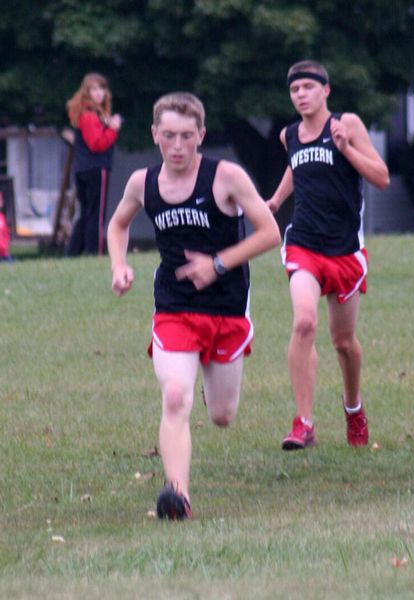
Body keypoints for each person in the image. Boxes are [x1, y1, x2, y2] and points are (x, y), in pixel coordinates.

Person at [107, 92, 280, 520]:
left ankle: (208, 382)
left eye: (187, 136)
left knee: (221, 415)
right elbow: (118, 224)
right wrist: (119, 265)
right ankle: (177, 496)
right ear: (155, 134)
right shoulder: (142, 183)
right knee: (174, 396)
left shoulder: (226, 177)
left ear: (201, 135)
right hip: (174, 305)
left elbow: (270, 232)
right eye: (169, 136)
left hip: (226, 308)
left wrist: (217, 264)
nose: (178, 145)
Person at [267, 60, 390, 450]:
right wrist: (275, 200)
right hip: (303, 243)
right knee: (304, 322)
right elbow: (296, 168)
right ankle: (303, 423)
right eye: (294, 89)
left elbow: (381, 177)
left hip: (344, 250)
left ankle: (353, 408)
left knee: (343, 342)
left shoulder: (346, 124)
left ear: (326, 90)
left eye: (308, 87)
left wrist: (346, 148)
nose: (301, 94)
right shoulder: (289, 135)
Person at [66, 73, 122, 256]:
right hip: (95, 169)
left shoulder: (86, 114)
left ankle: (73, 252)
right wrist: (113, 129)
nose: (99, 93)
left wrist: (107, 124)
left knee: (86, 213)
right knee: (96, 214)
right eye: (94, 89)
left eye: (102, 89)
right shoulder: (89, 115)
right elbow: (97, 144)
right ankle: (94, 251)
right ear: (86, 92)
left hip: (82, 168)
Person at [0, 191, 13, 263]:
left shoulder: (2, 217)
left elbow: (6, 234)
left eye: (1, 200)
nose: (1, 202)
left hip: (4, 253)